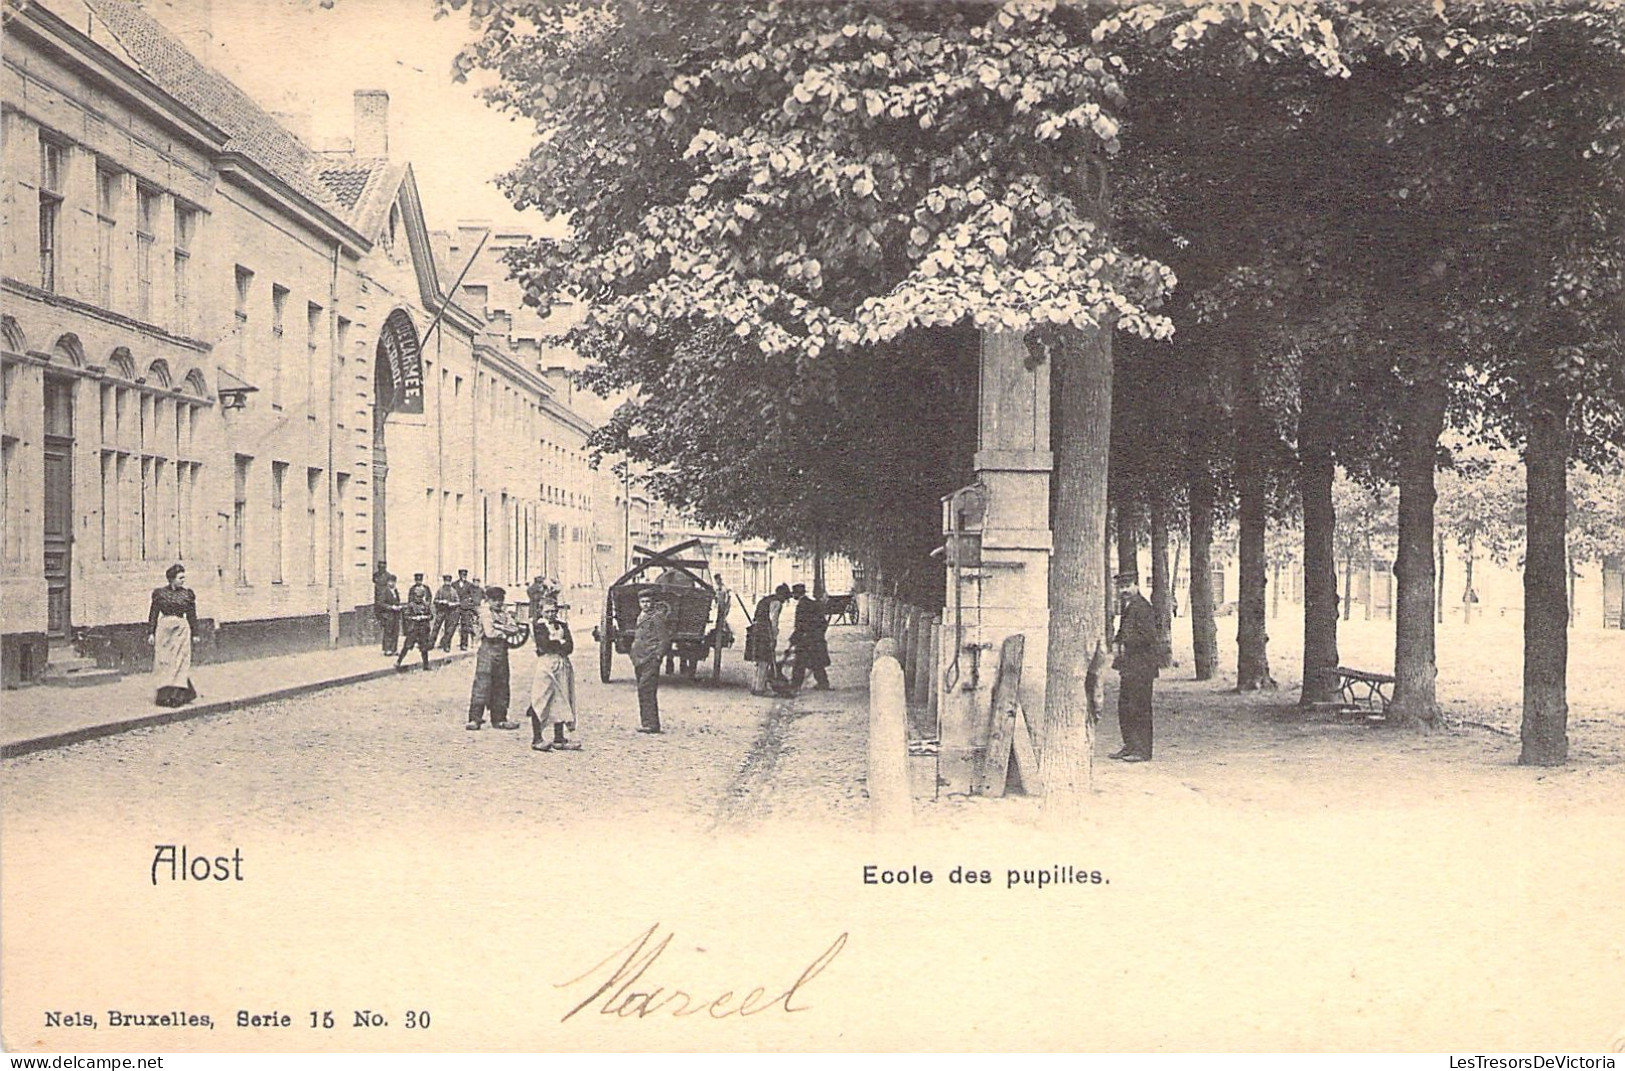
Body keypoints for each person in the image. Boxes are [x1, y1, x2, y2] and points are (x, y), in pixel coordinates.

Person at [1110, 570, 1159, 762]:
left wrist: (1125, 643)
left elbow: (1149, 637)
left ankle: (1142, 750)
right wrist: (1116, 641)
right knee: (1125, 706)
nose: (1124, 590)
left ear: (1136, 586)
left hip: (1142, 666)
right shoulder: (1128, 607)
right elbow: (1123, 632)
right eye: (1121, 587)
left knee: (1140, 707)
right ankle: (1130, 745)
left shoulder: (1143, 607)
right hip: (1129, 666)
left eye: (1127, 586)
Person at [467, 586, 522, 731]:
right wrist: (504, 630)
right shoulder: (486, 614)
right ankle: (475, 718)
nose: (498, 603)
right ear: (488, 600)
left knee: (501, 683)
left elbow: (515, 629)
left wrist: (500, 627)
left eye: (500, 600)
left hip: (502, 652)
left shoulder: (505, 614)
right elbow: (490, 633)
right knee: (482, 683)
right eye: (495, 600)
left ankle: (500, 719)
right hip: (487, 651)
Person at [526, 605, 579, 752]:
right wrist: (559, 643)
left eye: (553, 611)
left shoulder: (562, 625)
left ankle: (559, 738)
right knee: (540, 699)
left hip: (562, 665)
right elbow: (544, 646)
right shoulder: (538, 627)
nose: (551, 614)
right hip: (546, 665)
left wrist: (559, 644)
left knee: (562, 698)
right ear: (541, 611)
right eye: (547, 611)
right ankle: (537, 739)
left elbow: (570, 647)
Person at [146, 563, 200, 707]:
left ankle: (177, 696)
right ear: (171, 579)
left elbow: (192, 615)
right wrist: (151, 632)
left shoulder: (187, 594)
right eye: (180, 578)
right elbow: (153, 613)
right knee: (164, 660)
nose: (183, 580)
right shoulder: (160, 594)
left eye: (184, 577)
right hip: (164, 630)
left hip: (181, 630)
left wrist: (195, 633)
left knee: (180, 660)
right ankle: (164, 695)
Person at [629, 588, 674, 734]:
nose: (645, 604)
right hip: (639, 658)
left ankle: (652, 724)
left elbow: (664, 640)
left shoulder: (657, 617)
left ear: (652, 602)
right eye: (642, 602)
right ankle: (646, 722)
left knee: (647, 689)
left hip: (650, 658)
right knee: (642, 690)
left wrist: (657, 657)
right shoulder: (641, 616)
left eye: (648, 601)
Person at [747, 584, 792, 696]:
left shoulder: (766, 600)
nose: (785, 600)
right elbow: (773, 621)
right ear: (781, 595)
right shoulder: (777, 603)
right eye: (785, 597)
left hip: (756, 630)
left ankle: (755, 685)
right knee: (764, 660)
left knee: (759, 660)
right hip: (764, 632)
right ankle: (760, 689)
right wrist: (773, 637)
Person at [786, 582, 831, 691]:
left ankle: (795, 684)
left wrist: (793, 640)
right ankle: (823, 683)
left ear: (797, 594)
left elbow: (800, 625)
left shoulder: (802, 605)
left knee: (799, 662)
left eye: (794, 594)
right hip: (815, 638)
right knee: (817, 662)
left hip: (806, 639)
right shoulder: (812, 603)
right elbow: (822, 622)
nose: (793, 596)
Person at [397, 573, 435, 671]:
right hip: (413, 629)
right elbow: (406, 616)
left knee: (424, 648)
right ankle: (398, 662)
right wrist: (414, 618)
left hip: (423, 629)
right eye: (417, 596)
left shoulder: (425, 605)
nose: (418, 598)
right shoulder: (411, 605)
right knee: (407, 646)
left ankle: (426, 665)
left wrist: (424, 617)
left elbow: (431, 616)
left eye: (420, 596)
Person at [375, 572, 402, 656]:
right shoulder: (385, 591)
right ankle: (387, 649)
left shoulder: (395, 591)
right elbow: (381, 603)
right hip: (388, 615)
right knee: (388, 632)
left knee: (395, 631)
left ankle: (394, 649)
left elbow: (397, 601)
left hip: (396, 615)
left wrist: (398, 607)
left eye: (394, 582)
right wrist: (391, 607)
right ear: (388, 582)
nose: (392, 583)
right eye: (391, 581)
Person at [453, 569, 480, 651]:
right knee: (452, 625)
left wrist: (470, 602)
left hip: (466, 608)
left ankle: (464, 644)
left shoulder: (469, 585)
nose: (463, 577)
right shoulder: (454, 584)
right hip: (456, 607)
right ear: (459, 575)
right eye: (462, 575)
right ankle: (445, 643)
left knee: (465, 626)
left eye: (465, 575)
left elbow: (473, 595)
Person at [431, 573, 459, 651]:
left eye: (449, 581)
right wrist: (441, 601)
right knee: (436, 628)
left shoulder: (453, 591)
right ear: (444, 581)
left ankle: (446, 645)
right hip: (441, 611)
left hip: (450, 612)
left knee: (449, 630)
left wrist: (452, 604)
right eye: (446, 581)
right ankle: (431, 644)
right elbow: (435, 600)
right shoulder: (440, 590)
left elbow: (458, 602)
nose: (447, 583)